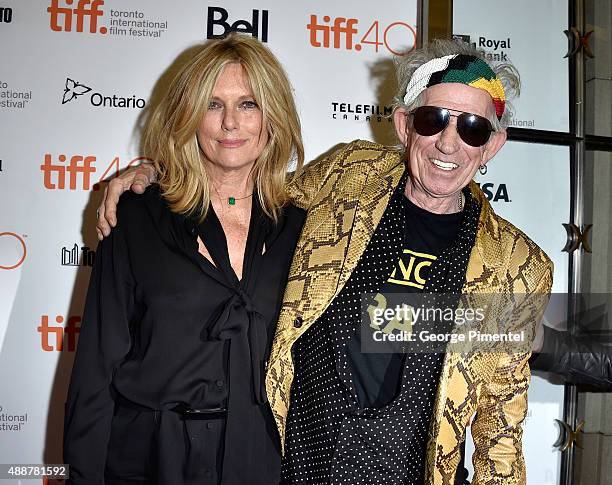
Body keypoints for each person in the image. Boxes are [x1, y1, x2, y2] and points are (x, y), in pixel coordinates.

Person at [96, 39, 553, 484]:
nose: (448, 144)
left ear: (492, 145)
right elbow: (251, 189)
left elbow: (501, 429)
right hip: (296, 463)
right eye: (433, 120)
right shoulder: (348, 175)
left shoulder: (517, 266)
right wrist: (157, 177)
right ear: (404, 125)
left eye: (472, 127)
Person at [63, 33, 306, 485]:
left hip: (261, 459)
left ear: (273, 115)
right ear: (189, 117)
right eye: (213, 105)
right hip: (148, 460)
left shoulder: (308, 226)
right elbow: (97, 369)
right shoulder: (136, 216)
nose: (230, 123)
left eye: (248, 104)